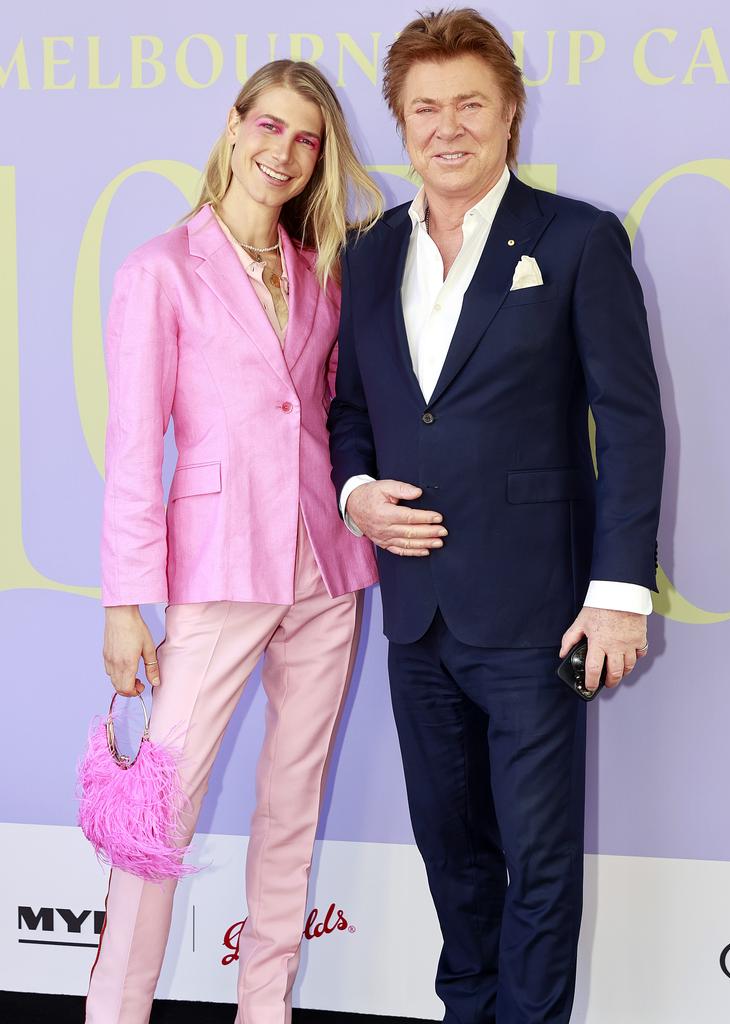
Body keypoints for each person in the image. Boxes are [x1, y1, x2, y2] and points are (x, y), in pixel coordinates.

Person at [329, 9, 665, 1023]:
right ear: (400, 123)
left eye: (470, 102)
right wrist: (357, 495)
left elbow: (632, 424)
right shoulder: (368, 253)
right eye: (425, 107)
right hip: (417, 614)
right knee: (451, 849)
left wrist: (617, 598)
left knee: (540, 861)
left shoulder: (576, 239)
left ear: (510, 112)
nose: (448, 126)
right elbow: (350, 411)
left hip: (538, 613)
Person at [87, 59, 380, 1024]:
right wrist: (125, 605)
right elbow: (134, 451)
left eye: (307, 138)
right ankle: (116, 1010)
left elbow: (330, 417)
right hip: (216, 568)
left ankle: (267, 1011)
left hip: (325, 573)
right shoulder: (161, 268)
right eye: (271, 127)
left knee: (292, 811)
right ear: (234, 125)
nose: (284, 152)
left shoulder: (321, 275)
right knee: (156, 819)